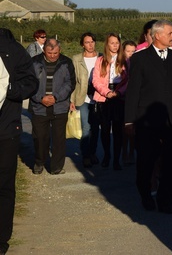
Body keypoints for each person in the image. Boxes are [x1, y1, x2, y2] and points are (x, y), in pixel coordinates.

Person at [124, 20, 172, 213]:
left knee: (170, 165)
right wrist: (129, 120)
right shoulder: (140, 58)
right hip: (147, 121)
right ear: (157, 35)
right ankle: (146, 197)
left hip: (171, 121)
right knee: (146, 162)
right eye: (170, 33)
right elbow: (133, 91)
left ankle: (166, 201)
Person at [0, 28, 37, 255]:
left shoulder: (11, 49)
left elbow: (30, 82)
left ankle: (2, 240)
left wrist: (9, 89)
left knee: (4, 186)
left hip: (5, 130)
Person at [29, 38, 73, 174]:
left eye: (55, 53)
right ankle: (39, 161)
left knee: (59, 139)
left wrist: (56, 97)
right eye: (49, 53)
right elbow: (29, 83)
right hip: (39, 106)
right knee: (40, 137)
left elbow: (70, 83)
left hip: (59, 106)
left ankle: (56, 166)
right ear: (44, 50)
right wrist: (40, 98)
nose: (53, 56)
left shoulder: (66, 62)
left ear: (60, 50)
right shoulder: (34, 62)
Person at [92, 34, 128, 170]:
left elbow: (129, 80)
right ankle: (107, 155)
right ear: (107, 44)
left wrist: (119, 92)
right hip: (104, 96)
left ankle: (116, 160)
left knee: (118, 130)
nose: (115, 45)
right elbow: (95, 80)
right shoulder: (100, 60)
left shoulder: (125, 60)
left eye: (117, 43)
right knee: (105, 129)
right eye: (112, 43)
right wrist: (106, 92)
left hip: (119, 95)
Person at [70, 32, 102, 168]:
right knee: (86, 127)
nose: (90, 44)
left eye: (92, 41)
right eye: (87, 42)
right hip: (82, 96)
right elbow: (72, 81)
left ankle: (93, 152)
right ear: (82, 44)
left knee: (96, 127)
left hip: (98, 96)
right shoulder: (76, 59)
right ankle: (86, 155)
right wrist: (71, 100)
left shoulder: (101, 57)